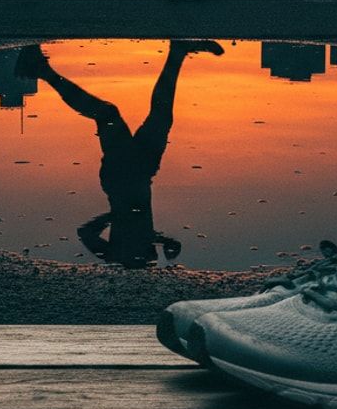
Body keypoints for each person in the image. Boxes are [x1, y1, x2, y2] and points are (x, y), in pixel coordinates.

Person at [14, 40, 224, 268]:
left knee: (109, 114)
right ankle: (177, 52)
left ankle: (42, 71)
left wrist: (114, 217)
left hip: (122, 176)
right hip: (142, 172)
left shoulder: (114, 256)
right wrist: (156, 239)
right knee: (159, 116)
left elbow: (85, 232)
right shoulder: (146, 253)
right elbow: (175, 247)